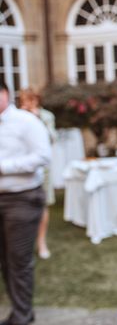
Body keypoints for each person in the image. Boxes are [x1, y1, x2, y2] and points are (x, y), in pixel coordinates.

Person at [0, 80, 51, 325]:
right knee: (4, 262)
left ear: (5, 93)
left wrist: (3, 167)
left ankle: (21, 322)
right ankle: (21, 311)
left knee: (19, 261)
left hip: (21, 198)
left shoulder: (26, 122)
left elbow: (43, 156)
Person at [18, 88, 57, 259]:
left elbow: (52, 139)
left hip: (43, 169)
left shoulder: (47, 116)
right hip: (20, 168)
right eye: (24, 100)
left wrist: (37, 118)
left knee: (43, 205)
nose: (27, 103)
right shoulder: (16, 117)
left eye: (30, 100)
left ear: (37, 100)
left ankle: (42, 242)